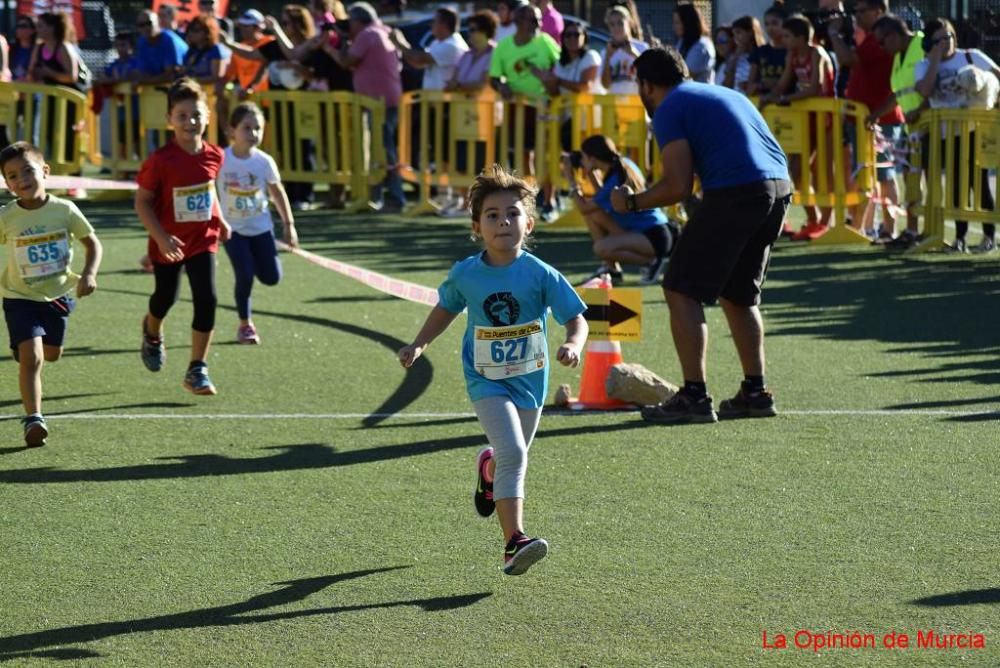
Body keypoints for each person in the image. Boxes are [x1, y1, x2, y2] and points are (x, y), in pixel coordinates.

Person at [397, 164, 588, 576]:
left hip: (530, 382)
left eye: (513, 214)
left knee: (510, 455)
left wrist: (573, 343)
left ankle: (488, 470)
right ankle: (513, 541)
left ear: (530, 223)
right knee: (514, 452)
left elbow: (576, 317)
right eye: (493, 215)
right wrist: (419, 343)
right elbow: (446, 307)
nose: (503, 222)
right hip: (485, 379)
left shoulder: (540, 274)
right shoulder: (467, 272)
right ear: (476, 226)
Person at [611, 47, 791, 424]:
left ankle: (694, 395)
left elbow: (678, 185)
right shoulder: (723, 92)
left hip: (738, 189)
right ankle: (755, 393)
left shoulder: (670, 107)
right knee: (738, 293)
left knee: (680, 287)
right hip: (777, 189)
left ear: (647, 85)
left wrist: (633, 203)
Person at [0, 141, 102, 447]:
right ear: (7, 184)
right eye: (13, 176)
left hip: (57, 296)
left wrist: (89, 274)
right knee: (32, 358)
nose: (22, 180)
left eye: (28, 171)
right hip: (19, 297)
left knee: (51, 354)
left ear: (45, 171)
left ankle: (28, 348)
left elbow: (92, 243)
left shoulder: (64, 210)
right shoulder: (7, 216)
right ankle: (34, 418)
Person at [135, 78, 231, 395]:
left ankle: (197, 368)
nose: (191, 122)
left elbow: (209, 190)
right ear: (169, 120)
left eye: (197, 115)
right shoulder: (161, 160)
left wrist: (221, 219)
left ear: (208, 116)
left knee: (207, 298)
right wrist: (161, 237)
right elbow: (143, 201)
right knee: (166, 298)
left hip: (203, 238)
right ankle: (151, 330)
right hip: (170, 242)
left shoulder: (215, 155)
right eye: (182, 115)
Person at [914, 17, 999, 253]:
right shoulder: (923, 65)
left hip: (976, 131)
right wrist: (934, 60)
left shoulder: (972, 56)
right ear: (930, 43)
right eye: (940, 39)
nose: (947, 42)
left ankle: (989, 237)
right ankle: (959, 238)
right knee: (955, 186)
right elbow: (925, 91)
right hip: (946, 135)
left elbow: (997, 76)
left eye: (950, 36)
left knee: (980, 184)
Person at [217, 102, 297, 345]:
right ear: (232, 131)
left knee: (272, 277)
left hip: (261, 228)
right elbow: (209, 189)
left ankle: (263, 261)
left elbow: (277, 191)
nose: (253, 133)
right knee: (245, 274)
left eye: (258, 128)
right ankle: (245, 325)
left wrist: (288, 224)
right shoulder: (221, 159)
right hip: (233, 230)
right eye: (247, 128)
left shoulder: (264, 162)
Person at [827, 0, 902, 241]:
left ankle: (890, 229)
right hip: (865, 118)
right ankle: (867, 227)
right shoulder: (870, 38)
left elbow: (848, 60)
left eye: (861, 11)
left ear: (878, 11)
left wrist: (833, 33)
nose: (856, 16)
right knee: (865, 174)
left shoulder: (881, 39)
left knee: (883, 175)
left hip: (881, 118)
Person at [568, 135, 678, 286]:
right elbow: (599, 200)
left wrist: (571, 179)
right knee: (594, 215)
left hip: (654, 236)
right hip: (653, 231)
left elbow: (584, 207)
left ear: (592, 158)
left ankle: (651, 262)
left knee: (600, 248)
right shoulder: (623, 164)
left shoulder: (615, 180)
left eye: (584, 157)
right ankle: (612, 269)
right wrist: (591, 173)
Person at [329, 2, 406, 213]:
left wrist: (332, 45)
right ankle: (381, 196)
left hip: (378, 102)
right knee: (380, 149)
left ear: (359, 21)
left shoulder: (367, 34)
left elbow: (346, 61)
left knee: (383, 150)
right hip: (385, 99)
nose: (347, 25)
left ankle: (395, 197)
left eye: (350, 22)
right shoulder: (383, 31)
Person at [763, 14, 834, 238]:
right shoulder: (792, 55)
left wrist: (787, 98)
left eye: (787, 36)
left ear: (802, 37)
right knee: (797, 170)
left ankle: (826, 221)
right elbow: (784, 83)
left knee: (823, 171)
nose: (783, 40)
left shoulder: (816, 53)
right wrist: (769, 97)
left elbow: (816, 88)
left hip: (826, 119)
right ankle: (812, 219)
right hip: (804, 119)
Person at [869, 14, 926, 249]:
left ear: (894, 35)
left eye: (882, 41)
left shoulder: (923, 45)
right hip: (912, 127)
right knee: (910, 178)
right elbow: (899, 93)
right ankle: (912, 230)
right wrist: (875, 115)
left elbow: (934, 83)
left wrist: (922, 110)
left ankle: (930, 230)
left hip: (932, 124)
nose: (881, 48)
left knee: (927, 178)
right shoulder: (898, 55)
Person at [601, 5, 647, 95]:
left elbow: (649, 76)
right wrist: (608, 57)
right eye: (612, 24)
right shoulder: (606, 51)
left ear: (629, 23)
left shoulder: (642, 47)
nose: (616, 28)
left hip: (637, 104)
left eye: (620, 23)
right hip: (614, 104)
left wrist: (633, 53)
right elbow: (605, 85)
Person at [133, 10, 189, 84]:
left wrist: (146, 81)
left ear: (158, 22)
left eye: (149, 23)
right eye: (141, 25)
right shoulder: (141, 43)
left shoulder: (169, 40)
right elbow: (141, 72)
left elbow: (171, 75)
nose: (146, 28)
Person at [748, 2, 788, 96]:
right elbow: (750, 85)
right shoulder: (759, 51)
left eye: (775, 23)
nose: (770, 28)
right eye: (767, 24)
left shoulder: (791, 52)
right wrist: (761, 85)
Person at [180, 16, 230, 86]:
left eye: (196, 30)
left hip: (209, 94)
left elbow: (217, 77)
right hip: (191, 91)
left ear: (208, 32)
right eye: (189, 29)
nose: (190, 33)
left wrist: (193, 80)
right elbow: (185, 71)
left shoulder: (216, 49)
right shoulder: (192, 49)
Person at [673, 3, 715, 83]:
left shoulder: (701, 46)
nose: (674, 26)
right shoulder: (682, 42)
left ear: (687, 22)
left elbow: (686, 75)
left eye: (677, 22)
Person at [728, 16, 765, 93]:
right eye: (734, 35)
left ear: (751, 32)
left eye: (738, 32)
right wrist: (736, 56)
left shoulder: (762, 54)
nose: (736, 38)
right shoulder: (736, 56)